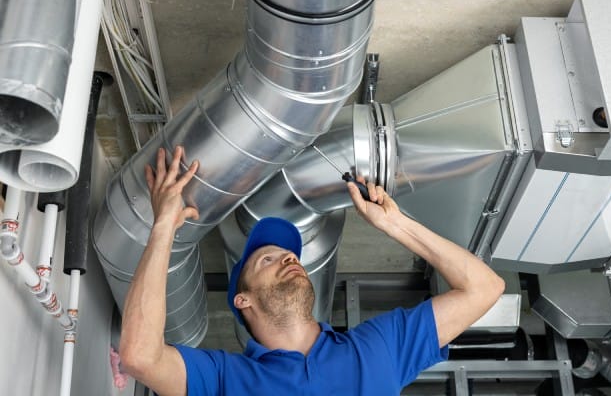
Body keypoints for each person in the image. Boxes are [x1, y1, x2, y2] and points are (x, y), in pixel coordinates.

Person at [119, 146, 505, 396]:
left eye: (290, 257)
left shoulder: (378, 348)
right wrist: (164, 226)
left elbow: (484, 287)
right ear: (242, 299)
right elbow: (139, 355)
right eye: (267, 259)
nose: (289, 258)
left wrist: (396, 225)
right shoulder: (224, 379)